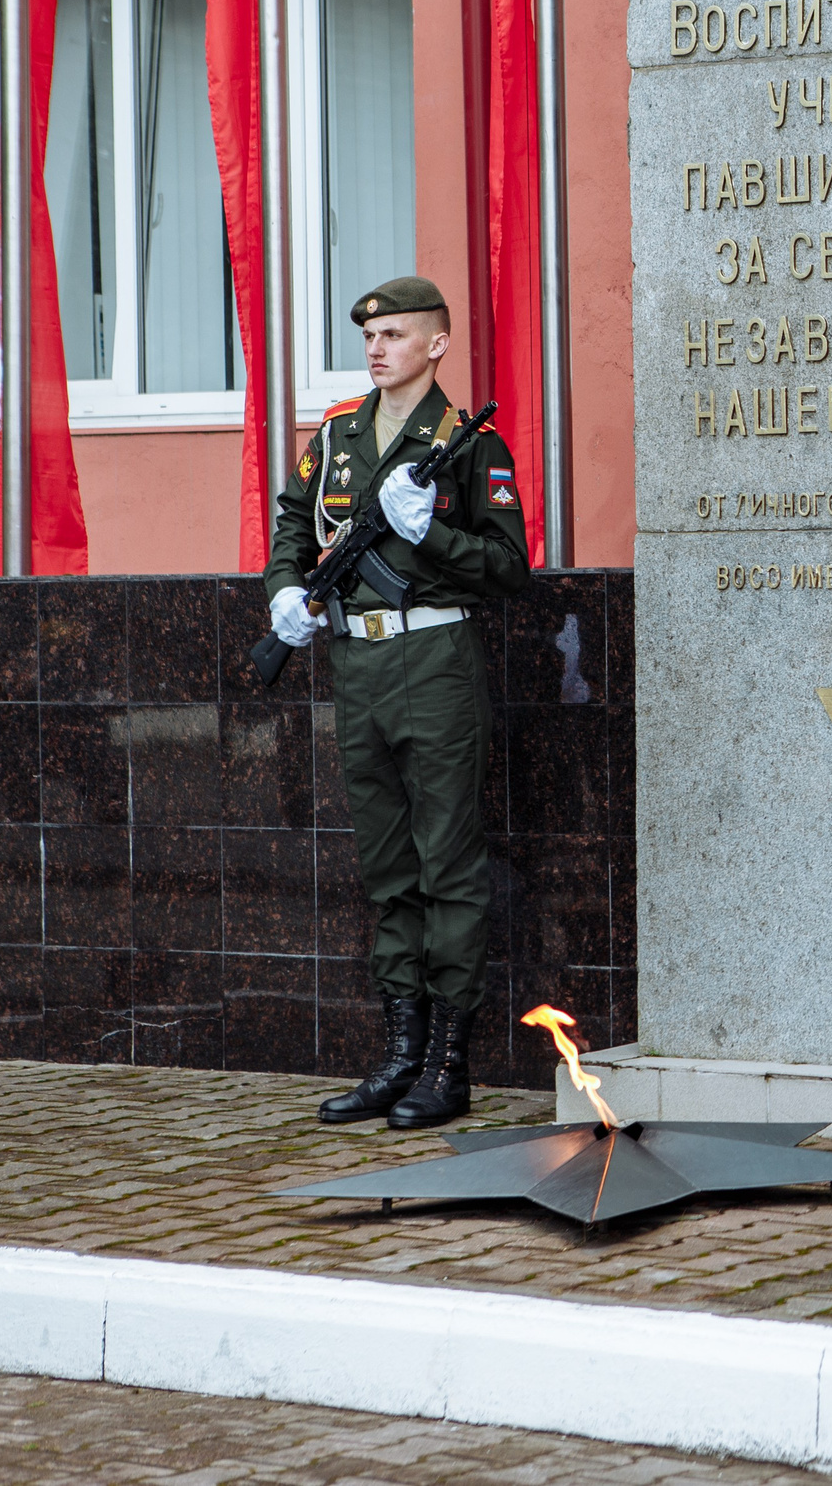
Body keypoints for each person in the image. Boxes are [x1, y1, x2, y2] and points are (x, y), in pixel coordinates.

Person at [266, 277, 530, 1131]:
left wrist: (430, 533)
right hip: (359, 663)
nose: (377, 346)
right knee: (388, 869)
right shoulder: (339, 434)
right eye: (370, 333)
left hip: (434, 656)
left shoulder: (467, 442)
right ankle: (398, 1058)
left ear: (438, 344)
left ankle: (447, 1066)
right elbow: (293, 528)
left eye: (395, 333)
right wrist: (283, 595)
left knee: (447, 867)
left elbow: (509, 568)